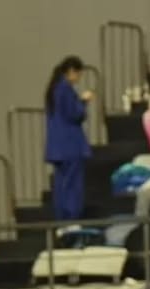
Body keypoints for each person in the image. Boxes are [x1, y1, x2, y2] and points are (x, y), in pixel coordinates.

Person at [44, 56, 92, 221]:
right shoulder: (65, 89)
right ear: (71, 72)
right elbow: (75, 114)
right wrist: (84, 101)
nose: (78, 79)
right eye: (78, 75)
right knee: (73, 185)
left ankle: (62, 219)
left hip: (58, 148)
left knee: (61, 185)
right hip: (70, 145)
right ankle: (71, 219)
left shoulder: (53, 90)